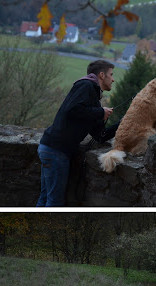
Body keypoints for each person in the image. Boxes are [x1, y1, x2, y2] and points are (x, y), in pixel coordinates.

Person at [36, 59, 119, 207]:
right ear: (101, 75)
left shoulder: (94, 99)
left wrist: (124, 124)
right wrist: (100, 112)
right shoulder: (85, 85)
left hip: (54, 150)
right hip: (56, 151)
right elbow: (72, 109)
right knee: (54, 202)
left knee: (45, 198)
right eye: (111, 75)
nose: (113, 79)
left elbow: (101, 136)